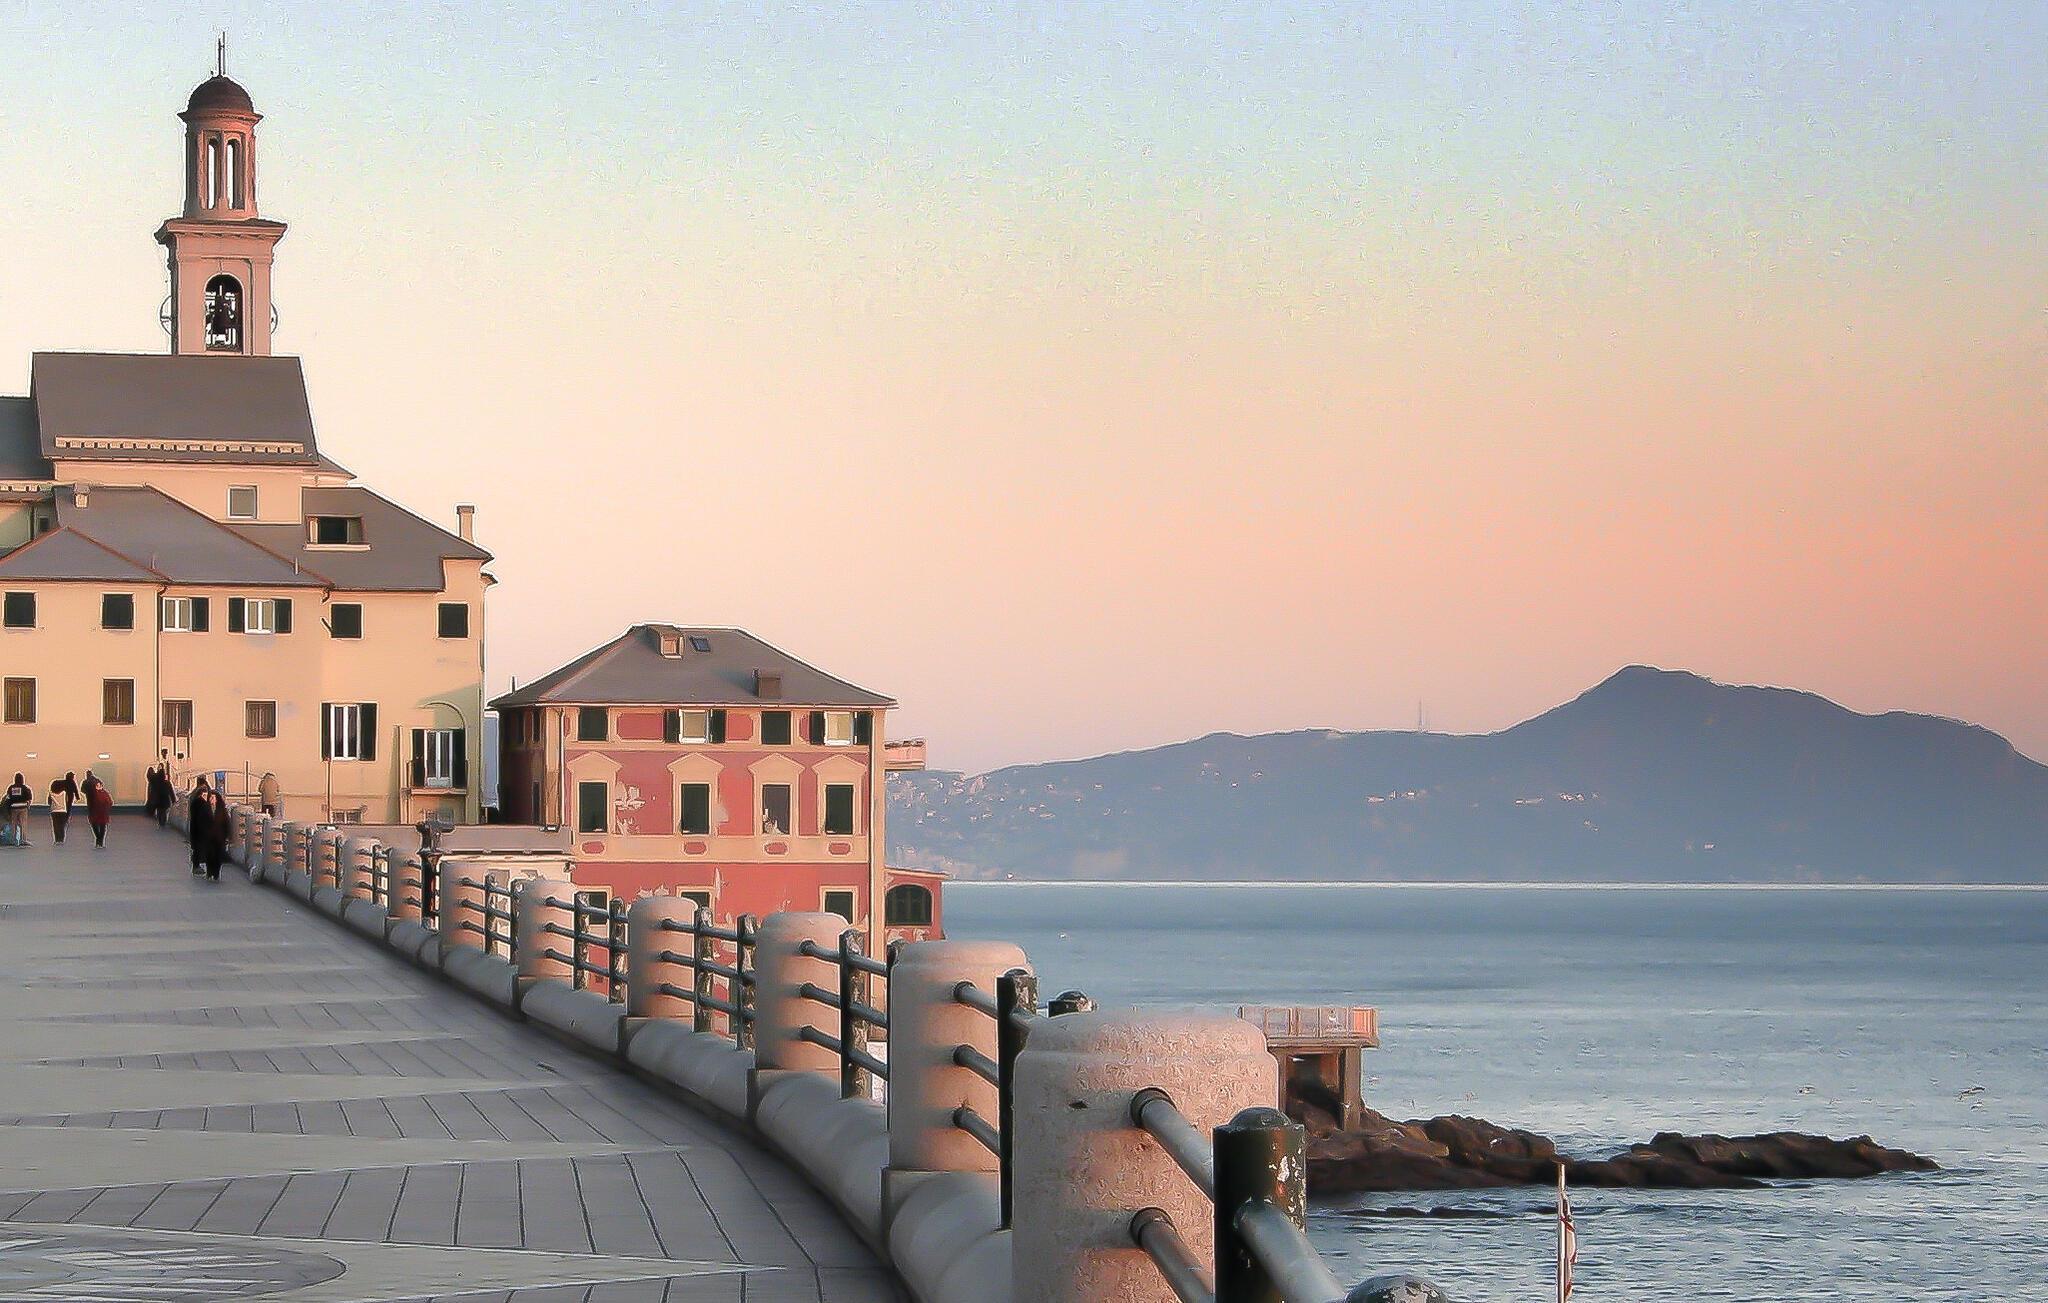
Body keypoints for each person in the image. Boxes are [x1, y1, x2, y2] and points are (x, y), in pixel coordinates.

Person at [197, 786, 231, 881]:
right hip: (208, 837)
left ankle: (216, 872)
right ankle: (209, 872)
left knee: (217, 855)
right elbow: (200, 822)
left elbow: (226, 823)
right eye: (210, 797)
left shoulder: (222, 810)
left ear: (217, 799)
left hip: (219, 837)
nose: (211, 799)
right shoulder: (204, 809)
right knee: (209, 855)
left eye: (213, 798)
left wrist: (227, 836)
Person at [186, 775, 211, 874]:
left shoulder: (194, 794)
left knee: (197, 847)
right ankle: (200, 866)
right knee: (202, 847)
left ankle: (196, 866)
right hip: (201, 827)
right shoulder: (202, 798)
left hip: (195, 826)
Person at [83, 772, 113, 849]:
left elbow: (110, 802)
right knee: (97, 826)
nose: (98, 786)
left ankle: (99, 841)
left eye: (99, 785)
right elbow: (110, 802)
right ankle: (99, 840)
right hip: (97, 812)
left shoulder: (103, 793)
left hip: (101, 812)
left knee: (100, 827)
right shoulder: (94, 793)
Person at [48, 772, 78, 845]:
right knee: (62, 824)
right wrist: (77, 797)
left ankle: (56, 839)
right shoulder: (68, 788)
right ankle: (61, 839)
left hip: (54, 810)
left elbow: (49, 802)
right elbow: (75, 791)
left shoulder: (52, 792)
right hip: (64, 809)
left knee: (55, 825)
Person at [2, 773, 31, 845]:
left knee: (13, 824)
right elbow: (29, 798)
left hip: (13, 808)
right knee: (23, 824)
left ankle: (13, 840)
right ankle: (23, 840)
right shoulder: (25, 788)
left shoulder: (11, 788)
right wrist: (28, 806)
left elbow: (8, 798)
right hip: (23, 807)